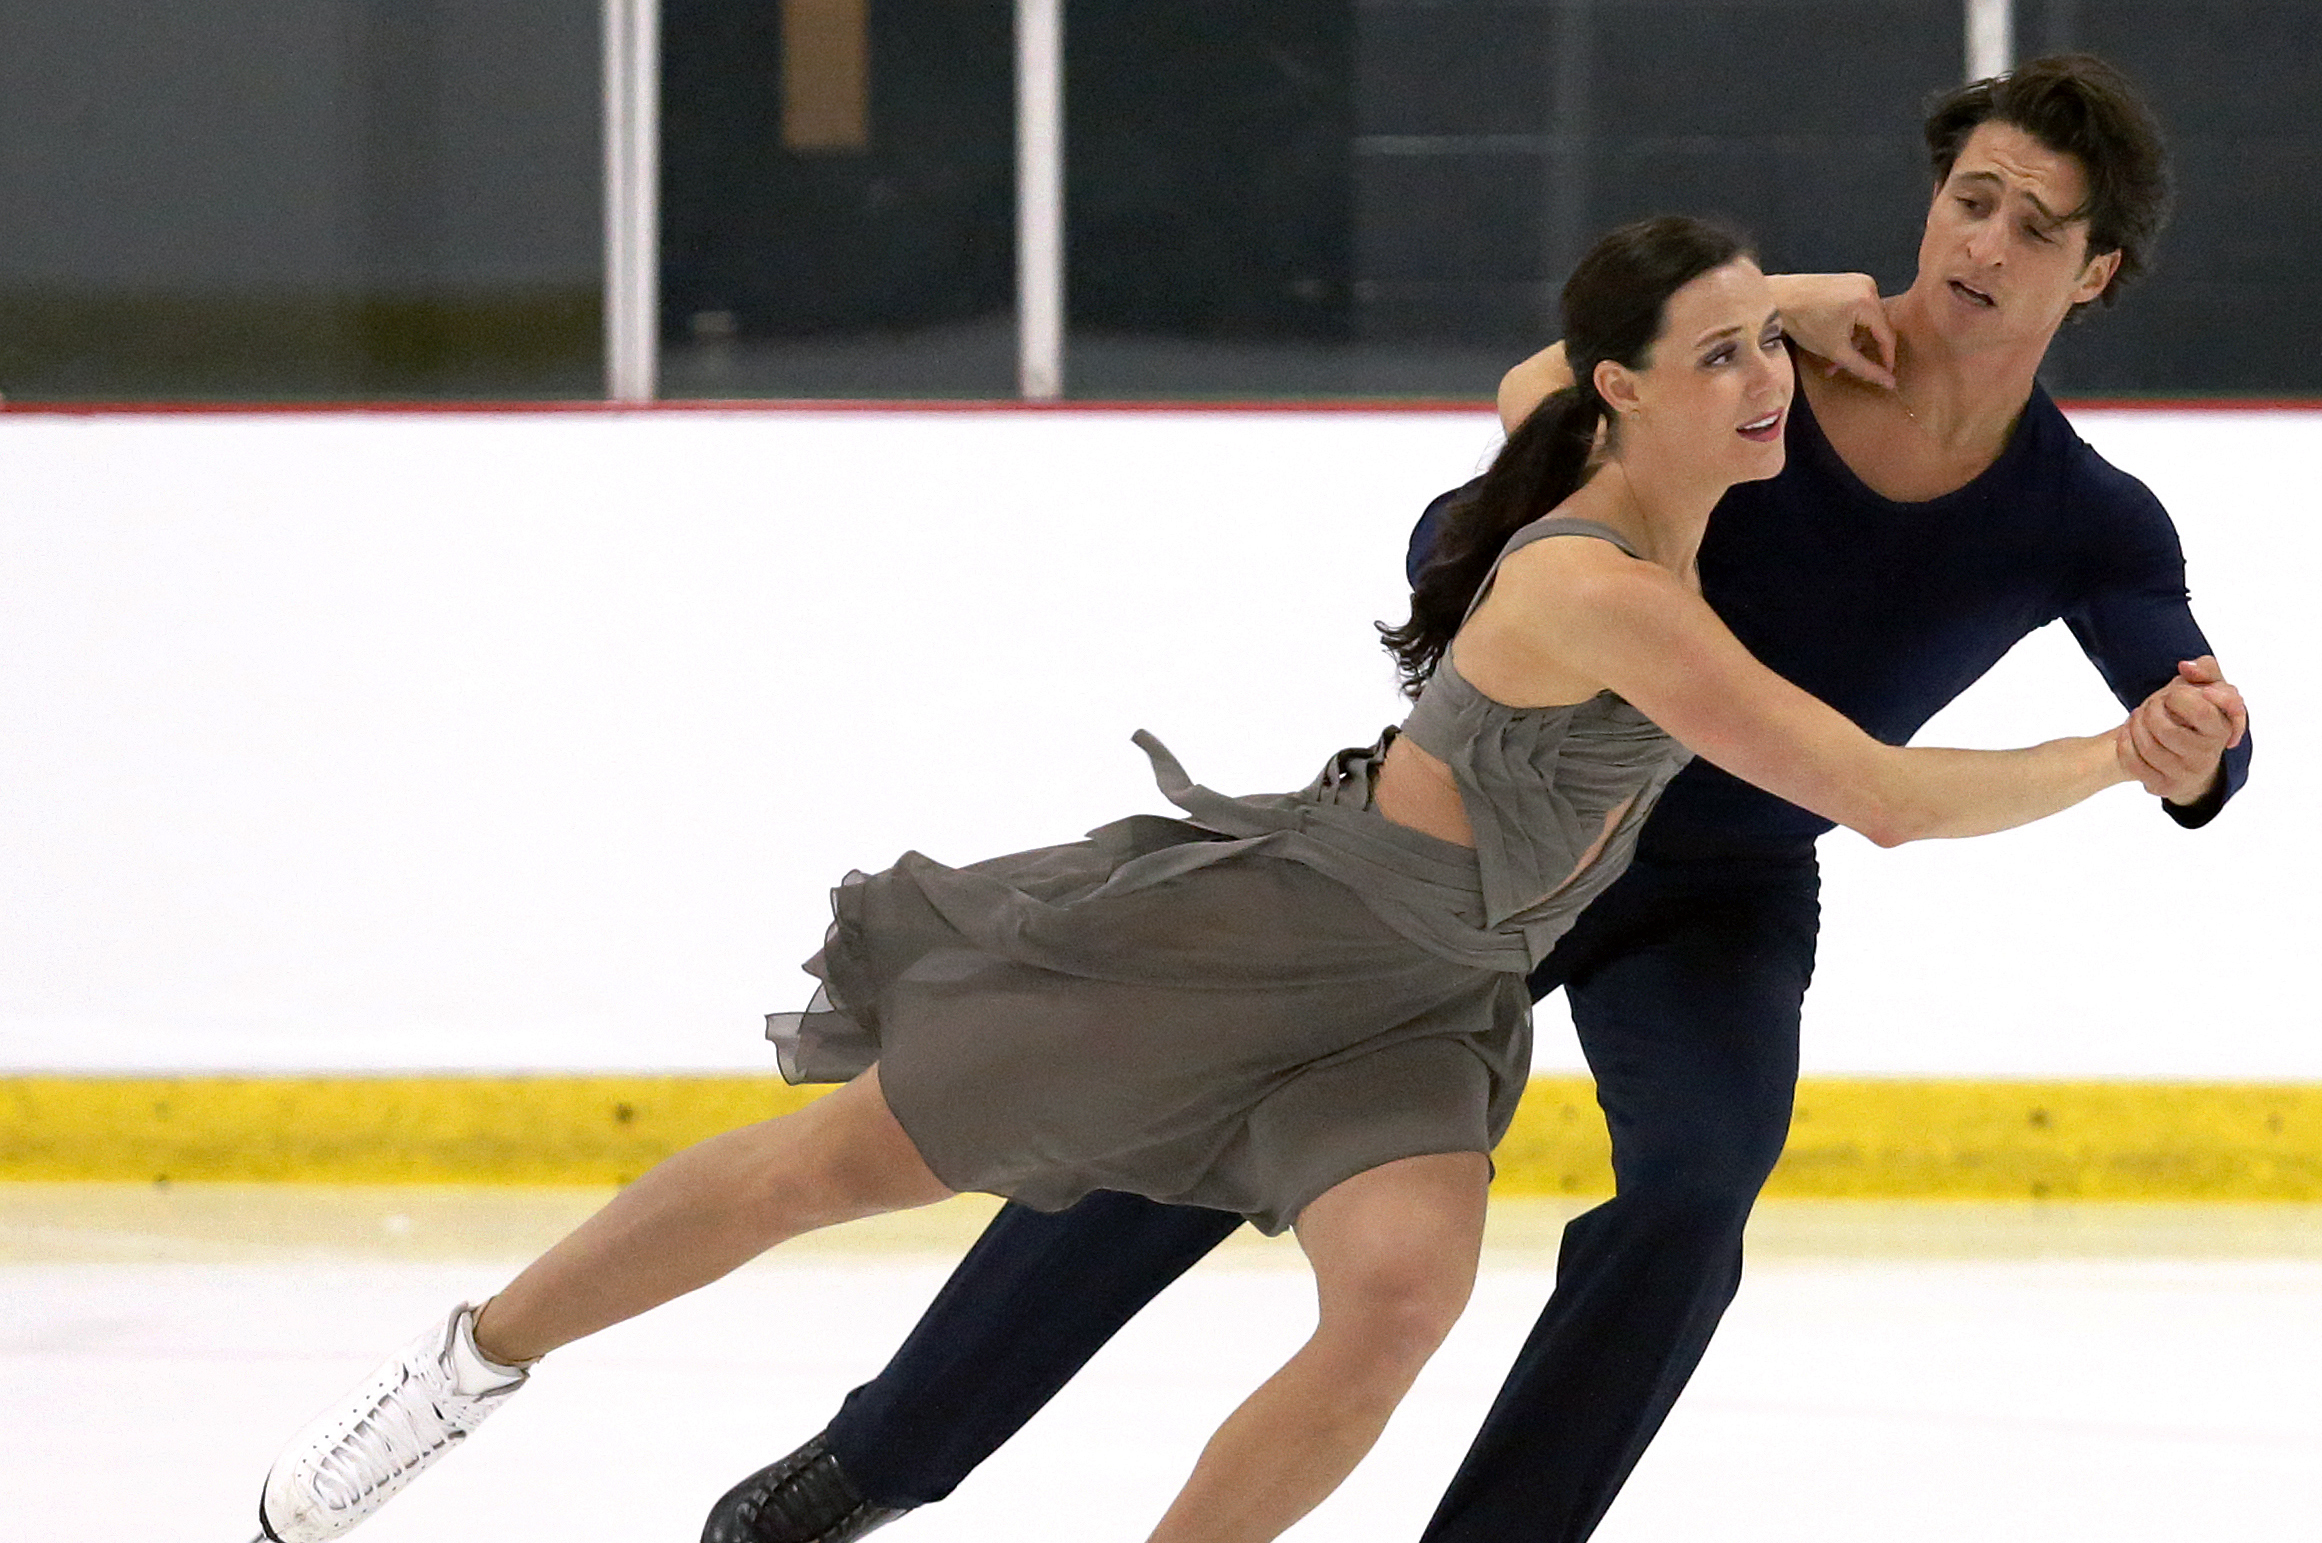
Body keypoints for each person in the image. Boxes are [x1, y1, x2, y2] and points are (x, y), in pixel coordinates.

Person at [247, 214, 2188, 1543]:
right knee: (836, 1162)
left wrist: (1808, 297)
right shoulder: (1606, 586)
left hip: (1436, 1001)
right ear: (1626, 394)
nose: (1779, 383)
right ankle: (464, 1366)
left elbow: (1560, 355)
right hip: (1274, 937)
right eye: (1730, 358)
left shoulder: (1659, 511)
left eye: (1778, 347)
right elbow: (1886, 799)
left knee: (1399, 1294)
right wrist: (2122, 750)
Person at [696, 52, 2255, 1543]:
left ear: (2095, 274)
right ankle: (876, 1458)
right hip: (1490, 830)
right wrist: (1778, 303)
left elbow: (2185, 706)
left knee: (1695, 1201)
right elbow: (1541, 401)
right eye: (1969, 197)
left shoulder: (2084, 516)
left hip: (1714, 886)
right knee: (1188, 1106)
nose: (1982, 242)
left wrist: (2196, 746)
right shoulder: (1763, 359)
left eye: (2034, 226)